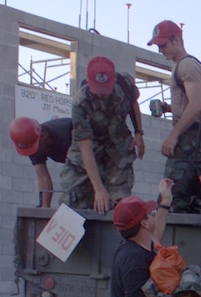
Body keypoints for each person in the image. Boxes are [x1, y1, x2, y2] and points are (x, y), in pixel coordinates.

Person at [59, 56, 144, 213]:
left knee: (121, 202)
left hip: (117, 144)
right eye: (98, 90)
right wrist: (98, 189)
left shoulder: (125, 84)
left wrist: (139, 132)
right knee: (72, 197)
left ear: (113, 79)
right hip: (91, 145)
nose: (102, 95)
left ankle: (122, 233)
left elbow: (133, 102)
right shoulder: (80, 101)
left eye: (106, 89)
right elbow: (85, 147)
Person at [148, 19, 201, 213]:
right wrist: (169, 108)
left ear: (177, 40)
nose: (160, 49)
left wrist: (173, 135)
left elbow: (195, 106)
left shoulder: (187, 66)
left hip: (190, 140)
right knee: (187, 201)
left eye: (163, 44)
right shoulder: (181, 66)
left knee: (171, 199)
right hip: (192, 139)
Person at [9, 116, 72, 208]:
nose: (35, 153)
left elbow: (86, 160)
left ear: (43, 136)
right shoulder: (31, 141)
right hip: (74, 160)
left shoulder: (65, 132)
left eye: (35, 149)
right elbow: (43, 177)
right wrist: (45, 207)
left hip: (93, 151)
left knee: (72, 188)